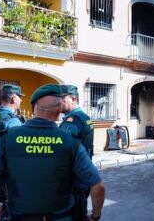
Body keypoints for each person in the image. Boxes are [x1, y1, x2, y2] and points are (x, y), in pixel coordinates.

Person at [0, 84, 105, 221]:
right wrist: (95, 217)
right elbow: (98, 187)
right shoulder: (70, 141)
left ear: (32, 108)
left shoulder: (6, 139)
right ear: (59, 111)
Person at [59, 84, 95, 221]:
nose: (59, 102)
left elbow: (62, 152)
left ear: (73, 99)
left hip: (73, 181)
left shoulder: (72, 121)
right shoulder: (84, 117)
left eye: (62, 98)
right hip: (82, 176)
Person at [0, 84, 24, 204]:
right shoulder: (12, 119)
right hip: (9, 169)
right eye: (19, 97)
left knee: (1, 202)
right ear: (13, 99)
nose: (21, 100)